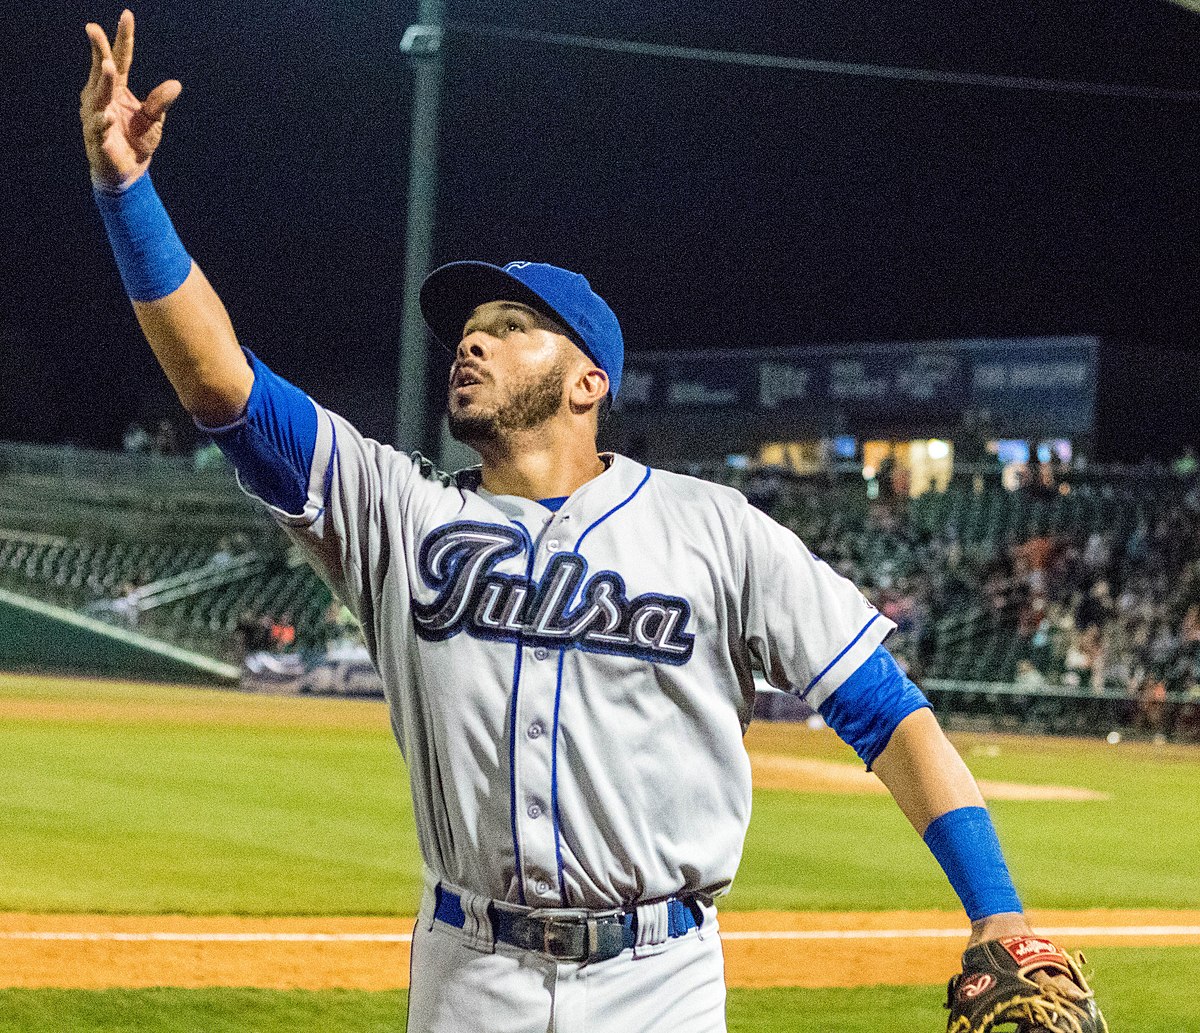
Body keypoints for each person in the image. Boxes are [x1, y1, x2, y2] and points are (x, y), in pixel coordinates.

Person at [79, 12, 1106, 1032]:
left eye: (509, 330)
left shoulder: (714, 530)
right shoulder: (393, 509)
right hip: (467, 973)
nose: (471, 349)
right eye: (467, 336)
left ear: (587, 382)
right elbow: (222, 385)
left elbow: (884, 710)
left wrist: (998, 910)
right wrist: (126, 192)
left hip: (657, 981)